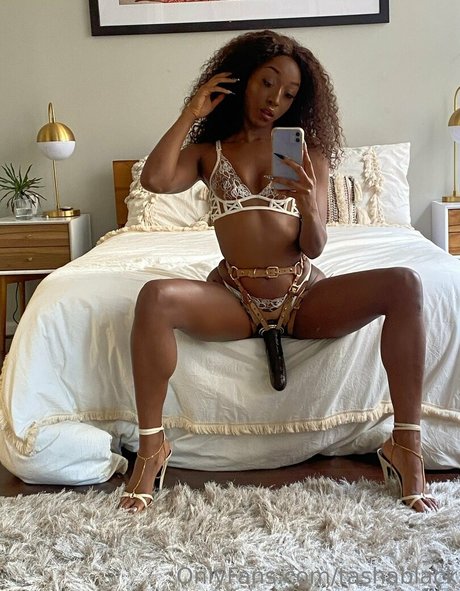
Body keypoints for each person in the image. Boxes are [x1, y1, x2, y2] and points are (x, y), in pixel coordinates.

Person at [119, 30, 438, 513]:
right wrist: (190, 114)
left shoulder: (309, 156)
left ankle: (406, 447)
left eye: (289, 93)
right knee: (155, 297)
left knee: (405, 284)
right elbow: (156, 179)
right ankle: (151, 449)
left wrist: (309, 204)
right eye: (267, 83)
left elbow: (315, 246)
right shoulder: (210, 152)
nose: (275, 100)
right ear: (243, 79)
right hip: (234, 298)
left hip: (301, 295)